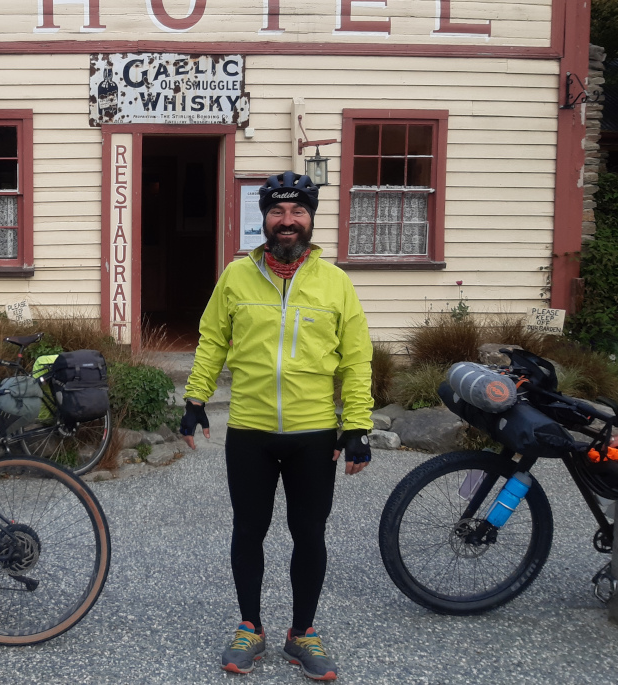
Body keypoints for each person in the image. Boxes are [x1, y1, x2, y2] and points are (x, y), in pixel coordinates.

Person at [179, 171, 373, 680]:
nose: (288, 222)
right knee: (249, 531)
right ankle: (250, 627)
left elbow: (356, 360)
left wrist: (356, 427)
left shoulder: (336, 283)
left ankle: (302, 633)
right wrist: (195, 399)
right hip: (250, 430)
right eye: (278, 212)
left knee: (309, 533)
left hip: (313, 433)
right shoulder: (236, 277)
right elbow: (211, 339)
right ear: (264, 218)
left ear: (311, 219)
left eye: (298, 212)